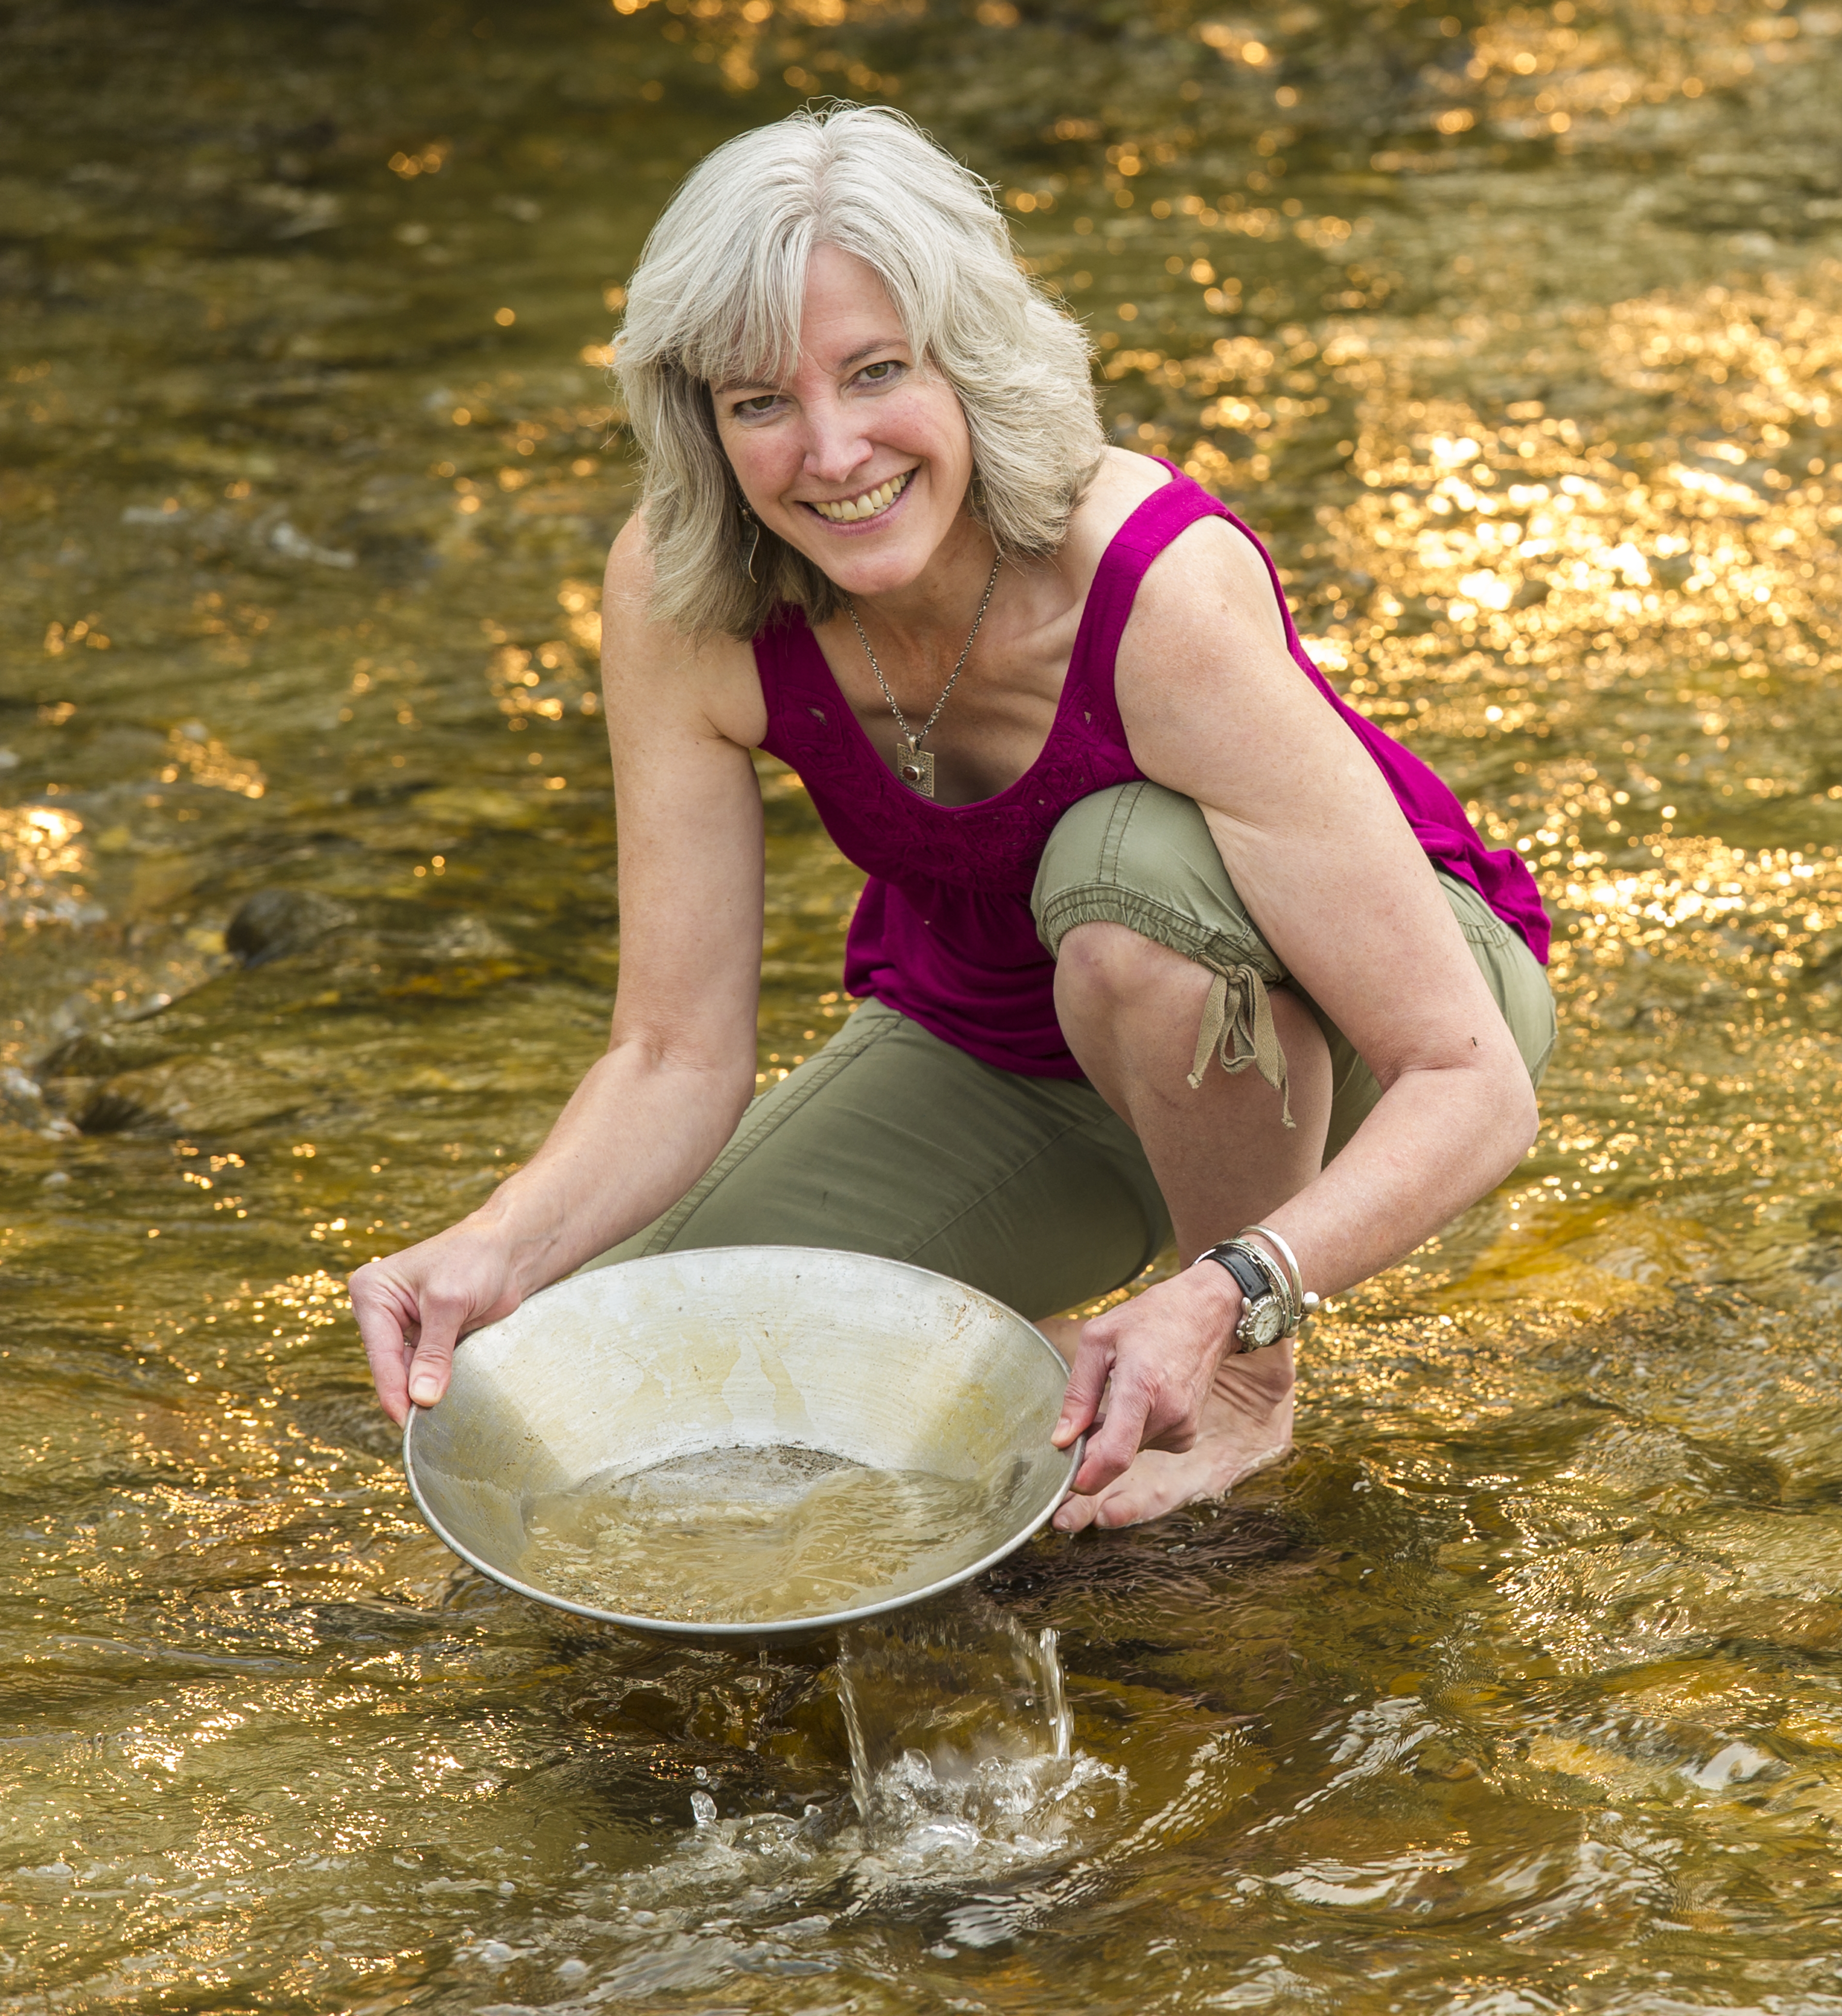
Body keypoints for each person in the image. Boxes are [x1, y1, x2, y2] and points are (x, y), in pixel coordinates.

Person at [348, 104, 1554, 1532]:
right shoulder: (684, 599)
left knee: (1123, 882)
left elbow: (1471, 1080)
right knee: (629, 1386)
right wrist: (499, 1245)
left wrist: (1230, 1300)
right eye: (759, 402)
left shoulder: (1151, 594)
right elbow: (672, 1052)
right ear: (701, 422)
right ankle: (1058, 1354)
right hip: (1013, 1042)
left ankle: (1236, 1390)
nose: (832, 451)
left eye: (875, 374)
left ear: (969, 362)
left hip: (1355, 1019)